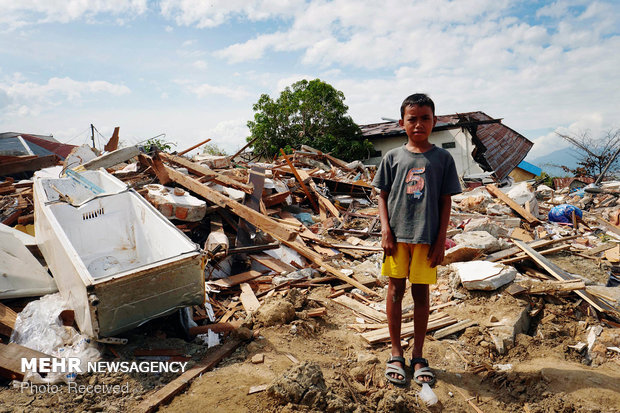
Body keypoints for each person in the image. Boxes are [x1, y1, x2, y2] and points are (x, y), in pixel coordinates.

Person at [372, 93, 461, 386]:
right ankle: (396, 352)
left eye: (425, 118)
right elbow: (382, 196)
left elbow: (445, 202)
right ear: (402, 122)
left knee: (421, 294)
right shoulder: (392, 157)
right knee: (395, 290)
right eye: (413, 119)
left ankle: (418, 355)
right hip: (397, 238)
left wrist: (440, 241)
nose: (419, 124)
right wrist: (385, 231)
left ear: (434, 121)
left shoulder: (443, 158)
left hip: (426, 238)